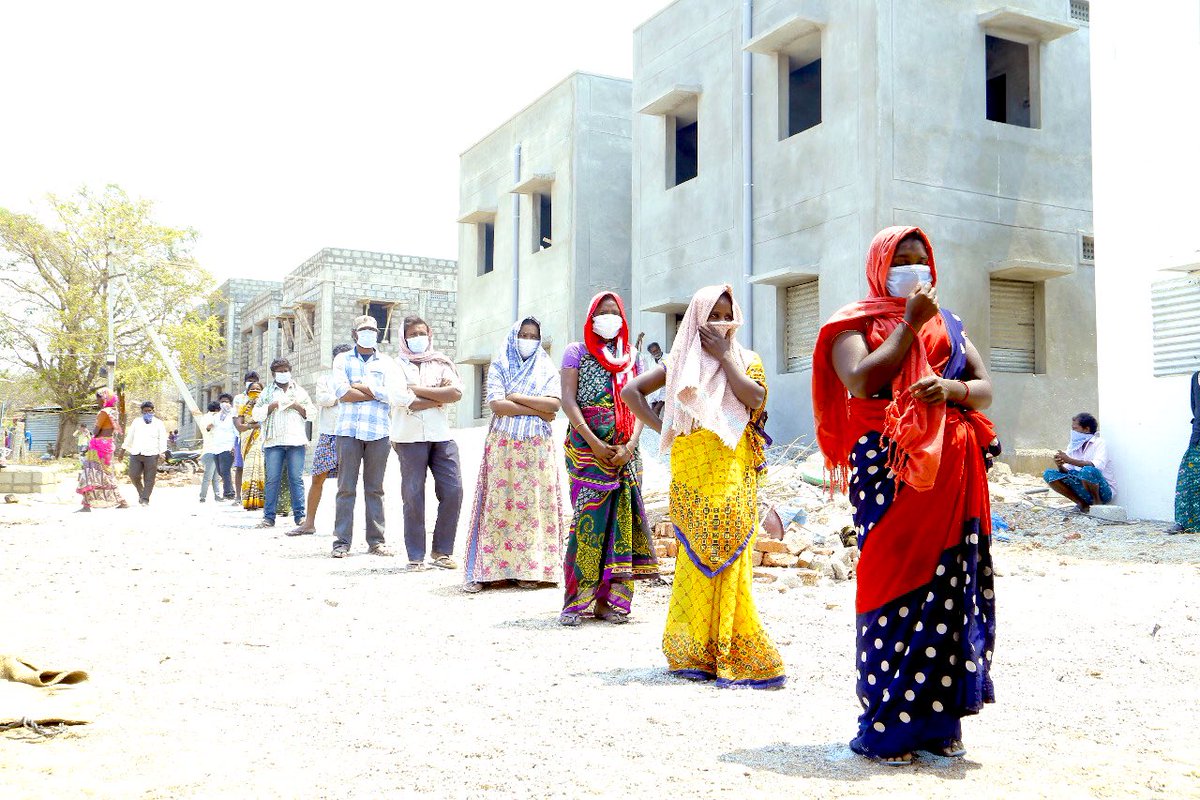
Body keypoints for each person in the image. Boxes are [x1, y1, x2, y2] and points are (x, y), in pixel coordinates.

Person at [811, 226, 1000, 766]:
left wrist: (952, 390)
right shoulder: (856, 324)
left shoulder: (952, 324)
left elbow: (984, 386)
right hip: (889, 473)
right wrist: (910, 323)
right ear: (879, 266)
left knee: (947, 586)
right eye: (902, 260)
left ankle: (939, 723)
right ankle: (885, 725)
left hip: (953, 475)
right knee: (889, 583)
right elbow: (862, 382)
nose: (915, 269)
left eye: (922, 260)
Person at [623, 285, 784, 688]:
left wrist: (726, 358)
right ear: (696, 318)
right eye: (713, 315)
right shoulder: (679, 362)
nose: (721, 323)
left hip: (731, 469)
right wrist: (668, 429)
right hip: (692, 469)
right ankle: (692, 652)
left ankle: (733, 644)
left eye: (728, 315)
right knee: (695, 554)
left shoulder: (747, 360)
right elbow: (631, 392)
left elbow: (755, 399)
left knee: (732, 549)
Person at [559, 294, 657, 625]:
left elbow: (640, 404)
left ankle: (608, 602)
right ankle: (576, 600)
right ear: (591, 316)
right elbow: (569, 401)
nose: (609, 318)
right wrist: (594, 442)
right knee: (588, 523)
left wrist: (630, 444)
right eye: (602, 313)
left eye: (614, 313)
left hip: (628, 453)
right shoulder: (577, 352)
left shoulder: (632, 357)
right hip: (588, 451)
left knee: (622, 524)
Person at [462, 317, 565, 593]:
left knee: (532, 506)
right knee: (501, 505)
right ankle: (494, 569)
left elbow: (555, 405)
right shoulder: (500, 364)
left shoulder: (545, 367)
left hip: (536, 448)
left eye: (534, 336)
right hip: (504, 446)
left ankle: (531, 569)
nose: (529, 340)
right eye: (524, 334)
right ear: (514, 336)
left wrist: (516, 396)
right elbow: (497, 404)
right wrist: (538, 409)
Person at [331, 315, 410, 558]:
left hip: (378, 433)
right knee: (346, 488)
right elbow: (342, 392)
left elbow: (393, 395)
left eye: (373, 329)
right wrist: (375, 392)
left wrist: (363, 387)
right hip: (348, 432)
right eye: (363, 329)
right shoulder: (342, 359)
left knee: (375, 488)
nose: (368, 333)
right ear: (354, 333)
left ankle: (376, 541)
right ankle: (341, 542)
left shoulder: (388, 363)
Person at [392, 316, 464, 570]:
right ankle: (415, 555)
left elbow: (456, 393)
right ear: (404, 337)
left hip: (441, 434)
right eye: (412, 334)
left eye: (422, 333)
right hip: (409, 437)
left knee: (453, 491)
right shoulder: (396, 366)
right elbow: (401, 398)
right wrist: (437, 396)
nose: (418, 338)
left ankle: (442, 552)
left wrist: (418, 390)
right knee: (413, 495)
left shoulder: (441, 362)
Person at [290, 343, 353, 536]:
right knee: (318, 477)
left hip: (350, 434)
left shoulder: (357, 379)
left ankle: (343, 528)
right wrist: (344, 396)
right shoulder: (325, 379)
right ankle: (309, 523)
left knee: (347, 484)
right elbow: (323, 399)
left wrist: (342, 396)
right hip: (328, 434)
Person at [252, 358, 315, 529]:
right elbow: (256, 414)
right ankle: (268, 518)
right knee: (272, 479)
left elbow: (312, 414)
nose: (283, 373)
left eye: (285, 370)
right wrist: (271, 406)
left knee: (296, 479)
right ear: (273, 374)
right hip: (274, 442)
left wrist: (296, 406)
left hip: (296, 441)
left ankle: (300, 517)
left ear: (290, 371)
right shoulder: (267, 393)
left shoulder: (300, 391)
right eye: (279, 371)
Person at [1043, 413, 1115, 513]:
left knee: (1088, 470)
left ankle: (1097, 504)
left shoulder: (1099, 443)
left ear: (1086, 429)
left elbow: (1097, 466)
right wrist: (1060, 465)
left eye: (1075, 429)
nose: (1072, 432)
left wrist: (1069, 460)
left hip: (1103, 491)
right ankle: (1082, 504)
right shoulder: (1073, 446)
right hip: (1082, 487)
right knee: (1049, 474)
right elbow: (1067, 470)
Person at [76, 389, 128, 511]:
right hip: (108, 444)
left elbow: (96, 430)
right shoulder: (113, 412)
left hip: (98, 445)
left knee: (91, 473)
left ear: (104, 399)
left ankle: (87, 504)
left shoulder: (103, 412)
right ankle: (119, 500)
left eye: (98, 398)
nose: (97, 401)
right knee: (106, 473)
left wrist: (90, 438)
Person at [120, 400, 168, 506]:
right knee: (133, 475)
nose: (147, 413)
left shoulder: (159, 423)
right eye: (145, 411)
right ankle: (141, 493)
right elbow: (129, 437)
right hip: (136, 453)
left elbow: (162, 439)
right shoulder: (136, 422)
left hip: (152, 454)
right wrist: (122, 450)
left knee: (149, 478)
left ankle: (145, 499)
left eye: (149, 411)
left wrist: (162, 452)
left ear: (153, 411)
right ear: (141, 412)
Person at [1174, 372, 1200, 534]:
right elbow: (1195, 407)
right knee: (1189, 480)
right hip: (1198, 435)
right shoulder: (1196, 377)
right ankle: (1185, 522)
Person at [232, 371, 259, 504]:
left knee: (258, 467)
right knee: (240, 467)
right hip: (242, 437)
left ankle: (256, 497)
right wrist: (247, 427)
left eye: (254, 380)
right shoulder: (239, 398)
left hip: (259, 438)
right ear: (245, 382)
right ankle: (238, 496)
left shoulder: (263, 397)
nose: (252, 383)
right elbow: (237, 420)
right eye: (249, 380)